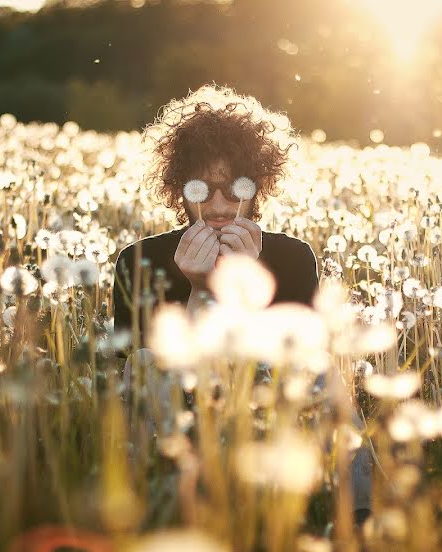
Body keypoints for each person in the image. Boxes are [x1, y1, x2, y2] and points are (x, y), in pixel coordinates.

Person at [110, 84, 371, 525]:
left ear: (259, 187)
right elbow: (135, 379)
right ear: (178, 188)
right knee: (142, 363)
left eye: (235, 188)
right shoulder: (139, 260)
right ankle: (149, 511)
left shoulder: (291, 257)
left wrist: (246, 288)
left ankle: (361, 520)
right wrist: (198, 290)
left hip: (269, 406)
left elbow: (291, 361)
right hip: (175, 414)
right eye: (202, 188)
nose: (217, 205)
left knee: (322, 370)